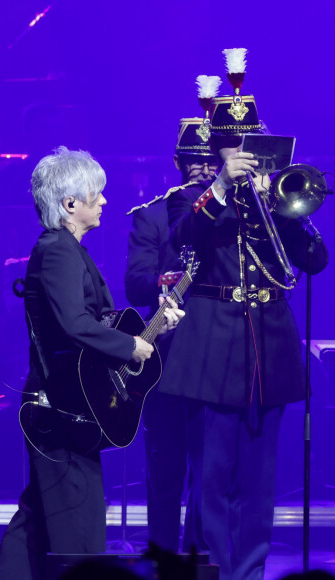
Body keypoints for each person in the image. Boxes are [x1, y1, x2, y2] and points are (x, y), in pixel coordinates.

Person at [161, 49, 329, 579]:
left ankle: (250, 572)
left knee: (260, 480)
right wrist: (222, 189)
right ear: (219, 151)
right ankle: (212, 571)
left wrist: (287, 210)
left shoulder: (273, 199)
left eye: (249, 147)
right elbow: (183, 237)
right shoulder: (191, 198)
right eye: (233, 148)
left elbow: (315, 262)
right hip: (212, 349)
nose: (244, 156)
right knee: (212, 478)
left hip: (271, 345)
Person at [0, 146, 185, 579]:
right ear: (70, 204)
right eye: (96, 194)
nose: (104, 201)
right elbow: (75, 324)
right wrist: (129, 347)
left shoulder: (68, 249)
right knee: (76, 526)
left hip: (71, 408)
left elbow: (94, 325)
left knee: (39, 518)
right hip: (59, 410)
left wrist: (153, 332)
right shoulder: (58, 250)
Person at [124, 76, 220, 553]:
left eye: (211, 161)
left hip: (216, 351)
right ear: (178, 163)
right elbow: (135, 281)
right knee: (164, 460)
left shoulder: (229, 214)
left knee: (209, 460)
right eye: (195, 162)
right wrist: (172, 279)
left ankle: (200, 550)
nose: (204, 170)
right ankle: (162, 550)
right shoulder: (153, 216)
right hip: (166, 351)